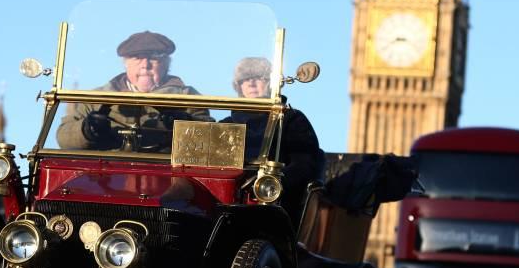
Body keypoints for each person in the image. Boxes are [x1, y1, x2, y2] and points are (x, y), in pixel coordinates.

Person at [56, 30, 211, 150]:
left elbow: (211, 140)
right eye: (137, 58)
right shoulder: (97, 98)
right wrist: (87, 130)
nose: (145, 65)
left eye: (154, 57)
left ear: (166, 63)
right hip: (105, 174)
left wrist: (185, 125)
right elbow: (63, 137)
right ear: (126, 63)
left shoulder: (187, 97)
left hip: (167, 173)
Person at [224, 57, 325, 220]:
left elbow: (304, 166)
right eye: (244, 79)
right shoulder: (227, 125)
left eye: (258, 77)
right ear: (238, 86)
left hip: (275, 205)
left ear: (271, 83)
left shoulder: (291, 120)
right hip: (227, 202)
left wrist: (270, 183)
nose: (251, 83)